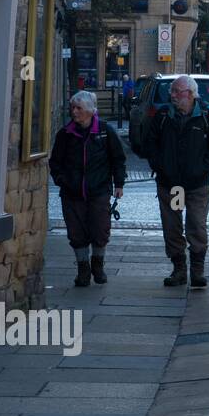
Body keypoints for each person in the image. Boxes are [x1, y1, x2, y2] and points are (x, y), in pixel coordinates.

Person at [142, 74, 209, 289]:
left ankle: (197, 271)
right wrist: (160, 166)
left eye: (178, 92)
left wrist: (203, 168)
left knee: (196, 225)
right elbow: (150, 143)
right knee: (172, 227)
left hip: (197, 185)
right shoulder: (163, 116)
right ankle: (178, 269)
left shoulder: (206, 116)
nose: (174, 96)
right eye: (173, 92)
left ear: (191, 94)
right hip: (172, 185)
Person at [48, 91, 126, 287]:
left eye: (79, 108)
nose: (74, 112)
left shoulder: (105, 132)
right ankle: (83, 269)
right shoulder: (65, 134)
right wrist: (61, 180)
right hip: (71, 192)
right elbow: (55, 162)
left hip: (99, 191)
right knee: (76, 232)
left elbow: (118, 159)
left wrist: (119, 184)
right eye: (72, 107)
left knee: (100, 230)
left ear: (91, 111)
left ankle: (97, 266)